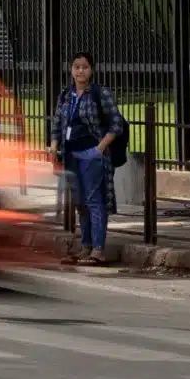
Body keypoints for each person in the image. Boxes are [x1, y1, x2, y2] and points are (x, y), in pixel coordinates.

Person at [53, 52, 124, 266]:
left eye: (84, 67)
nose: (80, 71)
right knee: (80, 202)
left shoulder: (99, 93)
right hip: (71, 154)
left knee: (94, 201)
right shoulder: (66, 95)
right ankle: (85, 247)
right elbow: (56, 125)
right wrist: (53, 150)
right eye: (76, 67)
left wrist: (99, 149)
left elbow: (116, 124)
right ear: (71, 70)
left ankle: (98, 249)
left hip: (92, 155)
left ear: (91, 70)